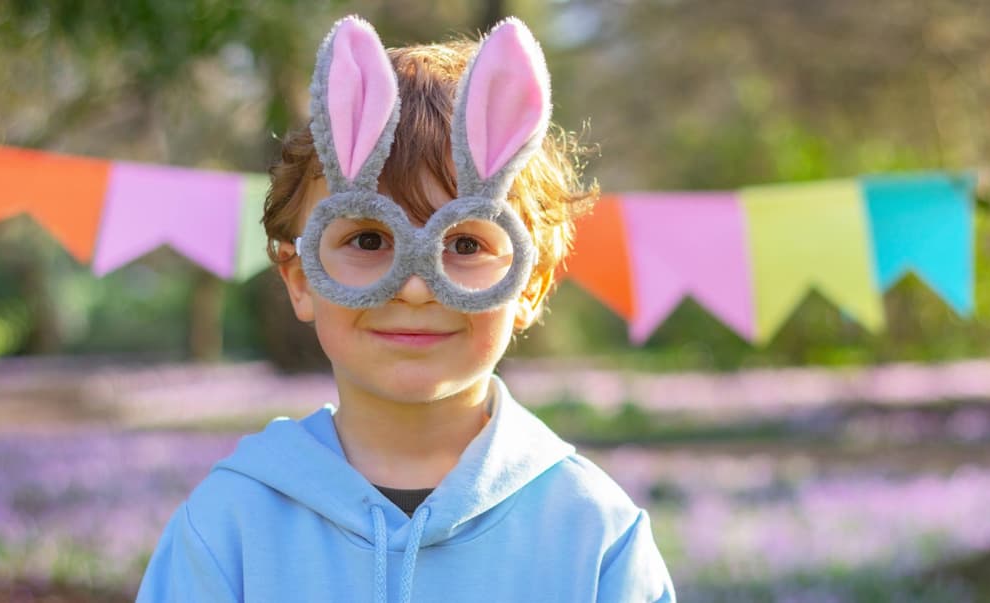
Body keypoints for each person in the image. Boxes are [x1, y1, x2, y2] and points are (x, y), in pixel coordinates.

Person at [136, 14, 675, 603]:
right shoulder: (228, 526)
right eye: (369, 241)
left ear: (530, 283)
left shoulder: (596, 534)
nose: (417, 288)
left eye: (465, 244)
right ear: (300, 280)